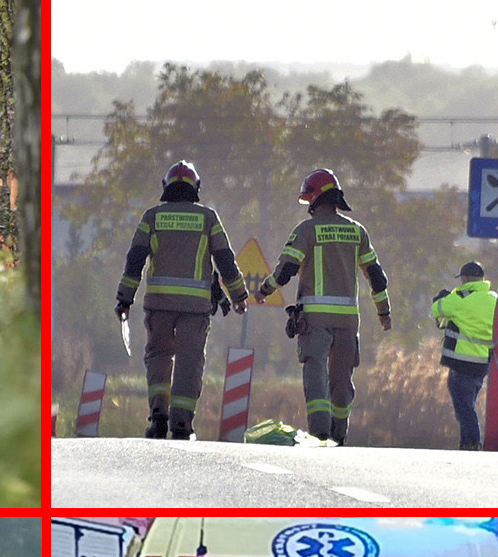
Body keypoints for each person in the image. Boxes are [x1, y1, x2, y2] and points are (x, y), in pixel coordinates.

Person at [253, 168, 392, 445]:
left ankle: (320, 432)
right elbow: (375, 275)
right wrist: (384, 312)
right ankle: (340, 434)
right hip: (349, 318)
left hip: (315, 317)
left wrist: (265, 290)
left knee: (315, 368)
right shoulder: (357, 231)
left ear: (315, 199)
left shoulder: (307, 230)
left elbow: (286, 269)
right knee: (342, 378)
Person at [115, 161, 251, 439]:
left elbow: (135, 261)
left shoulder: (151, 217)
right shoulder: (208, 218)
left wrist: (124, 298)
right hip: (195, 308)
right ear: (195, 189)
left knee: (158, 357)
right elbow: (225, 260)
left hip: (158, 305)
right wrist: (238, 296)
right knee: (189, 361)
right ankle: (181, 424)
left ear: (166, 188)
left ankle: (158, 418)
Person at [431, 262, 498, 449]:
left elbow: (436, 310)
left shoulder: (460, 297)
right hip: (482, 364)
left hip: (461, 362)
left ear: (466, 278)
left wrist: (442, 298)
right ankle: (467, 443)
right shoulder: (494, 298)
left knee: (464, 408)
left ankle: (471, 443)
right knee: (469, 405)